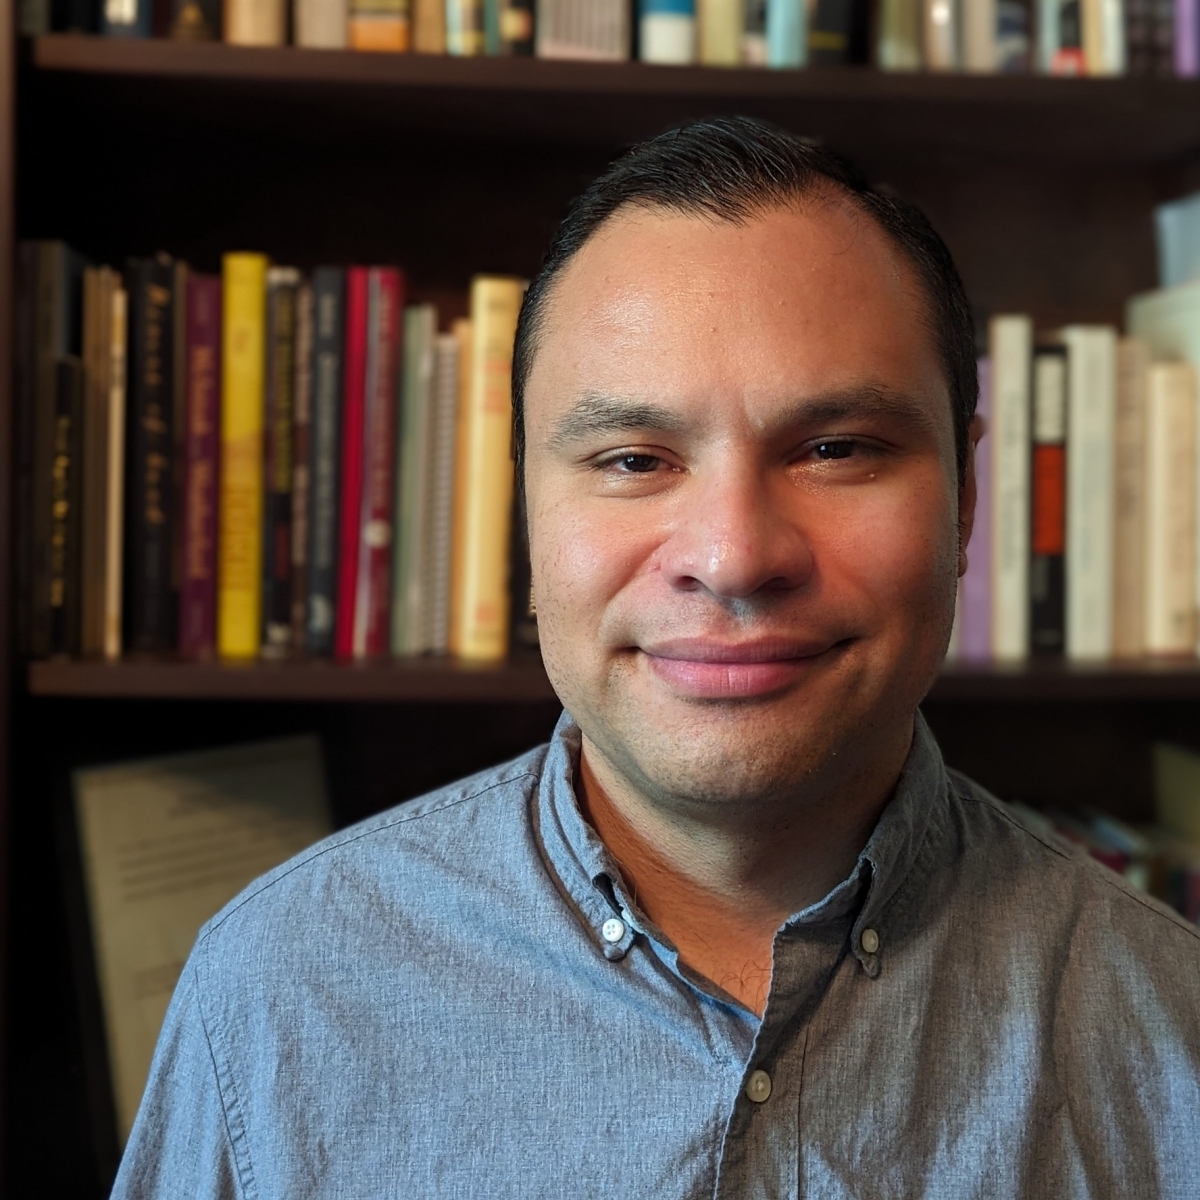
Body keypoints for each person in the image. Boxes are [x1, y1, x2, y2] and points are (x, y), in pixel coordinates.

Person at [113, 117, 1200, 1199]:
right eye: (634, 459)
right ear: (525, 506)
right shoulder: (273, 996)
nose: (733, 558)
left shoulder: (1171, 1026)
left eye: (835, 450)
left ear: (965, 501)